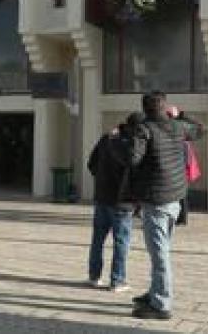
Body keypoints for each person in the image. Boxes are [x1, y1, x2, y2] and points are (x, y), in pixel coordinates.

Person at [129, 91, 203, 320]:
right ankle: (154, 292)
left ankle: (161, 304)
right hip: (175, 200)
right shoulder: (178, 126)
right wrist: (180, 114)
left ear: (145, 109)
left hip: (156, 202)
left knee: (159, 254)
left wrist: (132, 134)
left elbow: (133, 159)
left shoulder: (145, 129)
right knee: (161, 251)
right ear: (165, 107)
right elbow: (201, 129)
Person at [87, 112, 143, 292]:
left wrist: (102, 178)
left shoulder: (107, 139)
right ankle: (117, 280)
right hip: (122, 200)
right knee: (121, 241)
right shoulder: (135, 144)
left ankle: (94, 276)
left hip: (102, 196)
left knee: (98, 239)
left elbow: (91, 164)